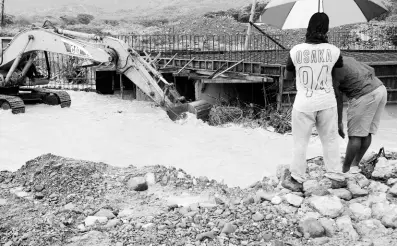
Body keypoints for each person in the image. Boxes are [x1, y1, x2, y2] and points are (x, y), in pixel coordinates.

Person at [281, 12, 345, 192]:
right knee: (330, 140)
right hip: (327, 101)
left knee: (300, 142)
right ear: (326, 29)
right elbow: (338, 78)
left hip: (304, 103)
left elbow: (288, 76)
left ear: (308, 28)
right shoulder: (334, 51)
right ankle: (335, 175)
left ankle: (297, 178)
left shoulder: (295, 51)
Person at [333, 56, 388, 174]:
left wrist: (338, 122)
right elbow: (371, 69)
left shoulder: (332, 68)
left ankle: (345, 170)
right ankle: (354, 165)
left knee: (355, 136)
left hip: (364, 94)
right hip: (380, 88)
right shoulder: (348, 59)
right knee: (366, 131)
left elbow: (338, 98)